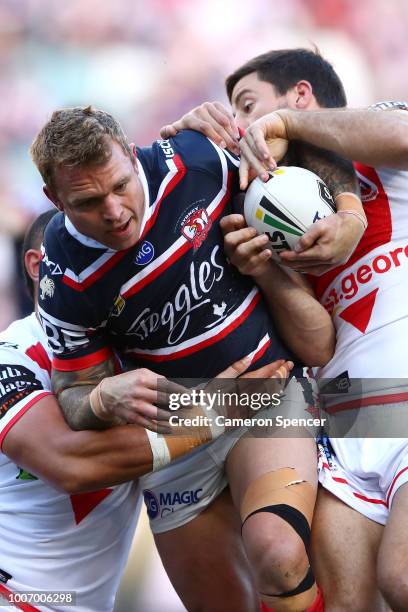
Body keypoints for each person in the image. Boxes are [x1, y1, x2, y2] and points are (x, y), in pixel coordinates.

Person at [29, 105, 360, 611]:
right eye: (89, 202)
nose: (115, 211)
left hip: (264, 393)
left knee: (277, 553)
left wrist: (348, 213)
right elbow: (74, 399)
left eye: (121, 186)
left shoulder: (197, 160)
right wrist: (100, 398)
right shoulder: (61, 277)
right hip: (177, 429)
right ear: (55, 199)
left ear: (132, 154)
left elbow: (315, 145)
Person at [162, 48, 408, 611]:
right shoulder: (260, 206)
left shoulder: (378, 144)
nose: (242, 123)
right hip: (348, 434)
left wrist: (286, 125)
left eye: (248, 105)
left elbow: (401, 133)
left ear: (299, 94)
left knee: (402, 580)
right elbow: (318, 343)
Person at [0, 209, 289, 611]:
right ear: (38, 266)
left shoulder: (144, 347)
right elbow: (67, 464)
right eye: (84, 253)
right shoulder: (11, 357)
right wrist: (213, 412)